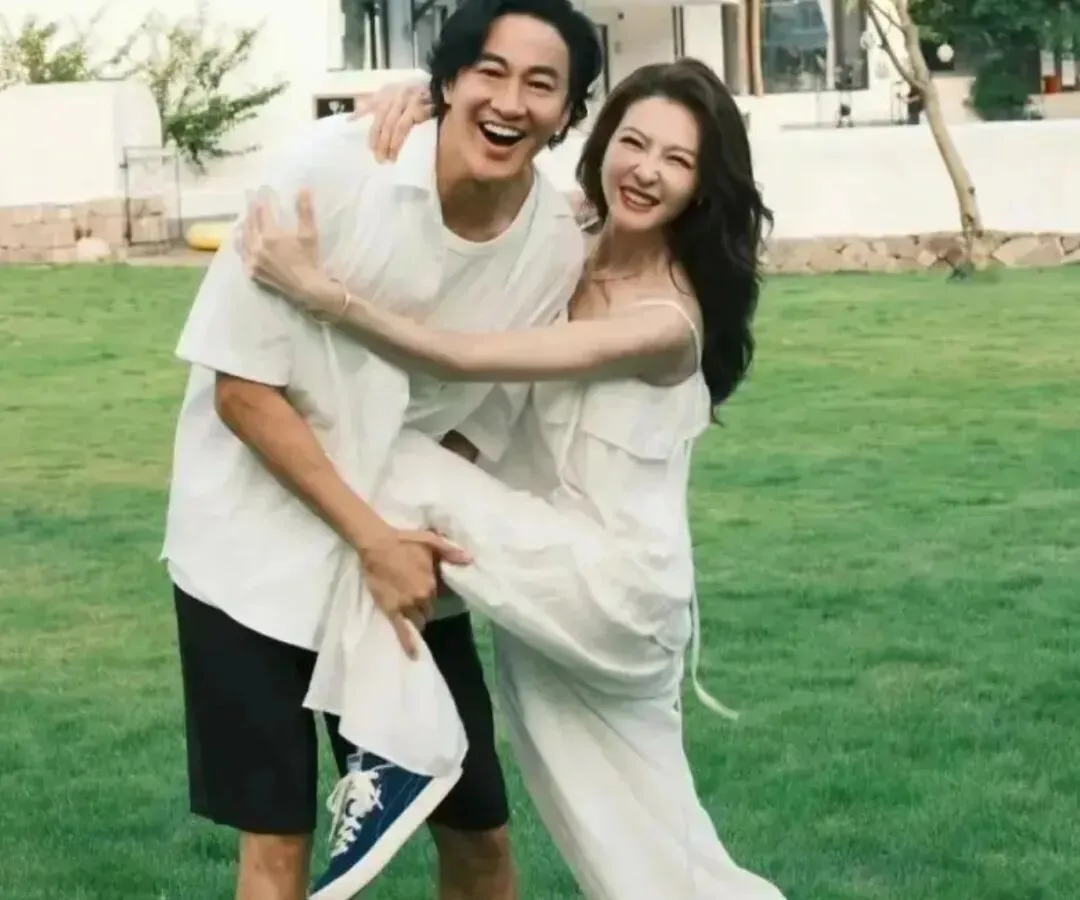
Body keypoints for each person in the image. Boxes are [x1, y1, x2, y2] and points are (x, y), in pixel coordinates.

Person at [240, 58, 786, 900]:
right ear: (602, 140)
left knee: (388, 461)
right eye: (634, 142)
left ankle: (392, 746)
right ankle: (392, 738)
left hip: (613, 590)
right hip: (552, 577)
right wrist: (436, 102)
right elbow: (492, 176)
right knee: (646, 856)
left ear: (704, 186)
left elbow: (466, 357)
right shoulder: (570, 235)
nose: (646, 170)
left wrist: (321, 294)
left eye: (677, 160)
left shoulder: (667, 320)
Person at [159, 0, 603, 898]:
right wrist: (372, 537)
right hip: (247, 550)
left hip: (401, 553)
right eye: (490, 71)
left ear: (567, 112)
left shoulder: (552, 249)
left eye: (541, 84)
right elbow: (242, 392)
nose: (510, 101)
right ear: (448, 82)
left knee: (478, 828)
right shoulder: (331, 171)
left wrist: (402, 540)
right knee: (276, 842)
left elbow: (482, 420)